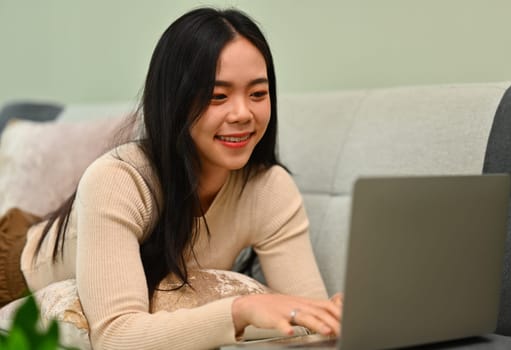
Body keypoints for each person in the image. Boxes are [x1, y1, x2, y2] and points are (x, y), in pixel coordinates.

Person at [0, 7, 342, 350]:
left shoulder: (269, 189)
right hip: (11, 267)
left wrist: (336, 319)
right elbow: (116, 337)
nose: (242, 114)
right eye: (217, 96)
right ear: (173, 101)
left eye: (257, 94)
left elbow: (309, 318)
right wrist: (239, 311)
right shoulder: (118, 179)